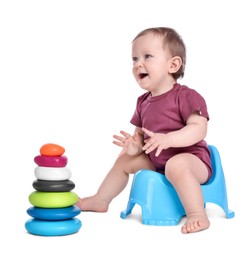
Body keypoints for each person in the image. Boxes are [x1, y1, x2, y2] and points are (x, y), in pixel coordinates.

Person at [76, 27, 212, 234]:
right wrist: (134, 146)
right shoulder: (143, 102)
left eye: (148, 56)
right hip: (157, 161)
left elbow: (198, 129)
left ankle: (196, 214)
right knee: (123, 162)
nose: (138, 63)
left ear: (173, 64)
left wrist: (169, 139)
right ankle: (100, 200)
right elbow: (140, 133)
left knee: (177, 164)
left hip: (192, 161)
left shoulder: (186, 96)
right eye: (134, 59)